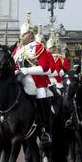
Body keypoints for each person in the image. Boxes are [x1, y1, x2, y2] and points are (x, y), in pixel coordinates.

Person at [13, 12, 53, 146]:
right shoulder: (18, 50)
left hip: (37, 81)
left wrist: (28, 70)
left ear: (30, 34)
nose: (21, 37)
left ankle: (44, 130)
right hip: (19, 78)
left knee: (41, 95)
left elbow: (45, 67)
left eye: (24, 34)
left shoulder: (38, 46)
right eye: (21, 34)